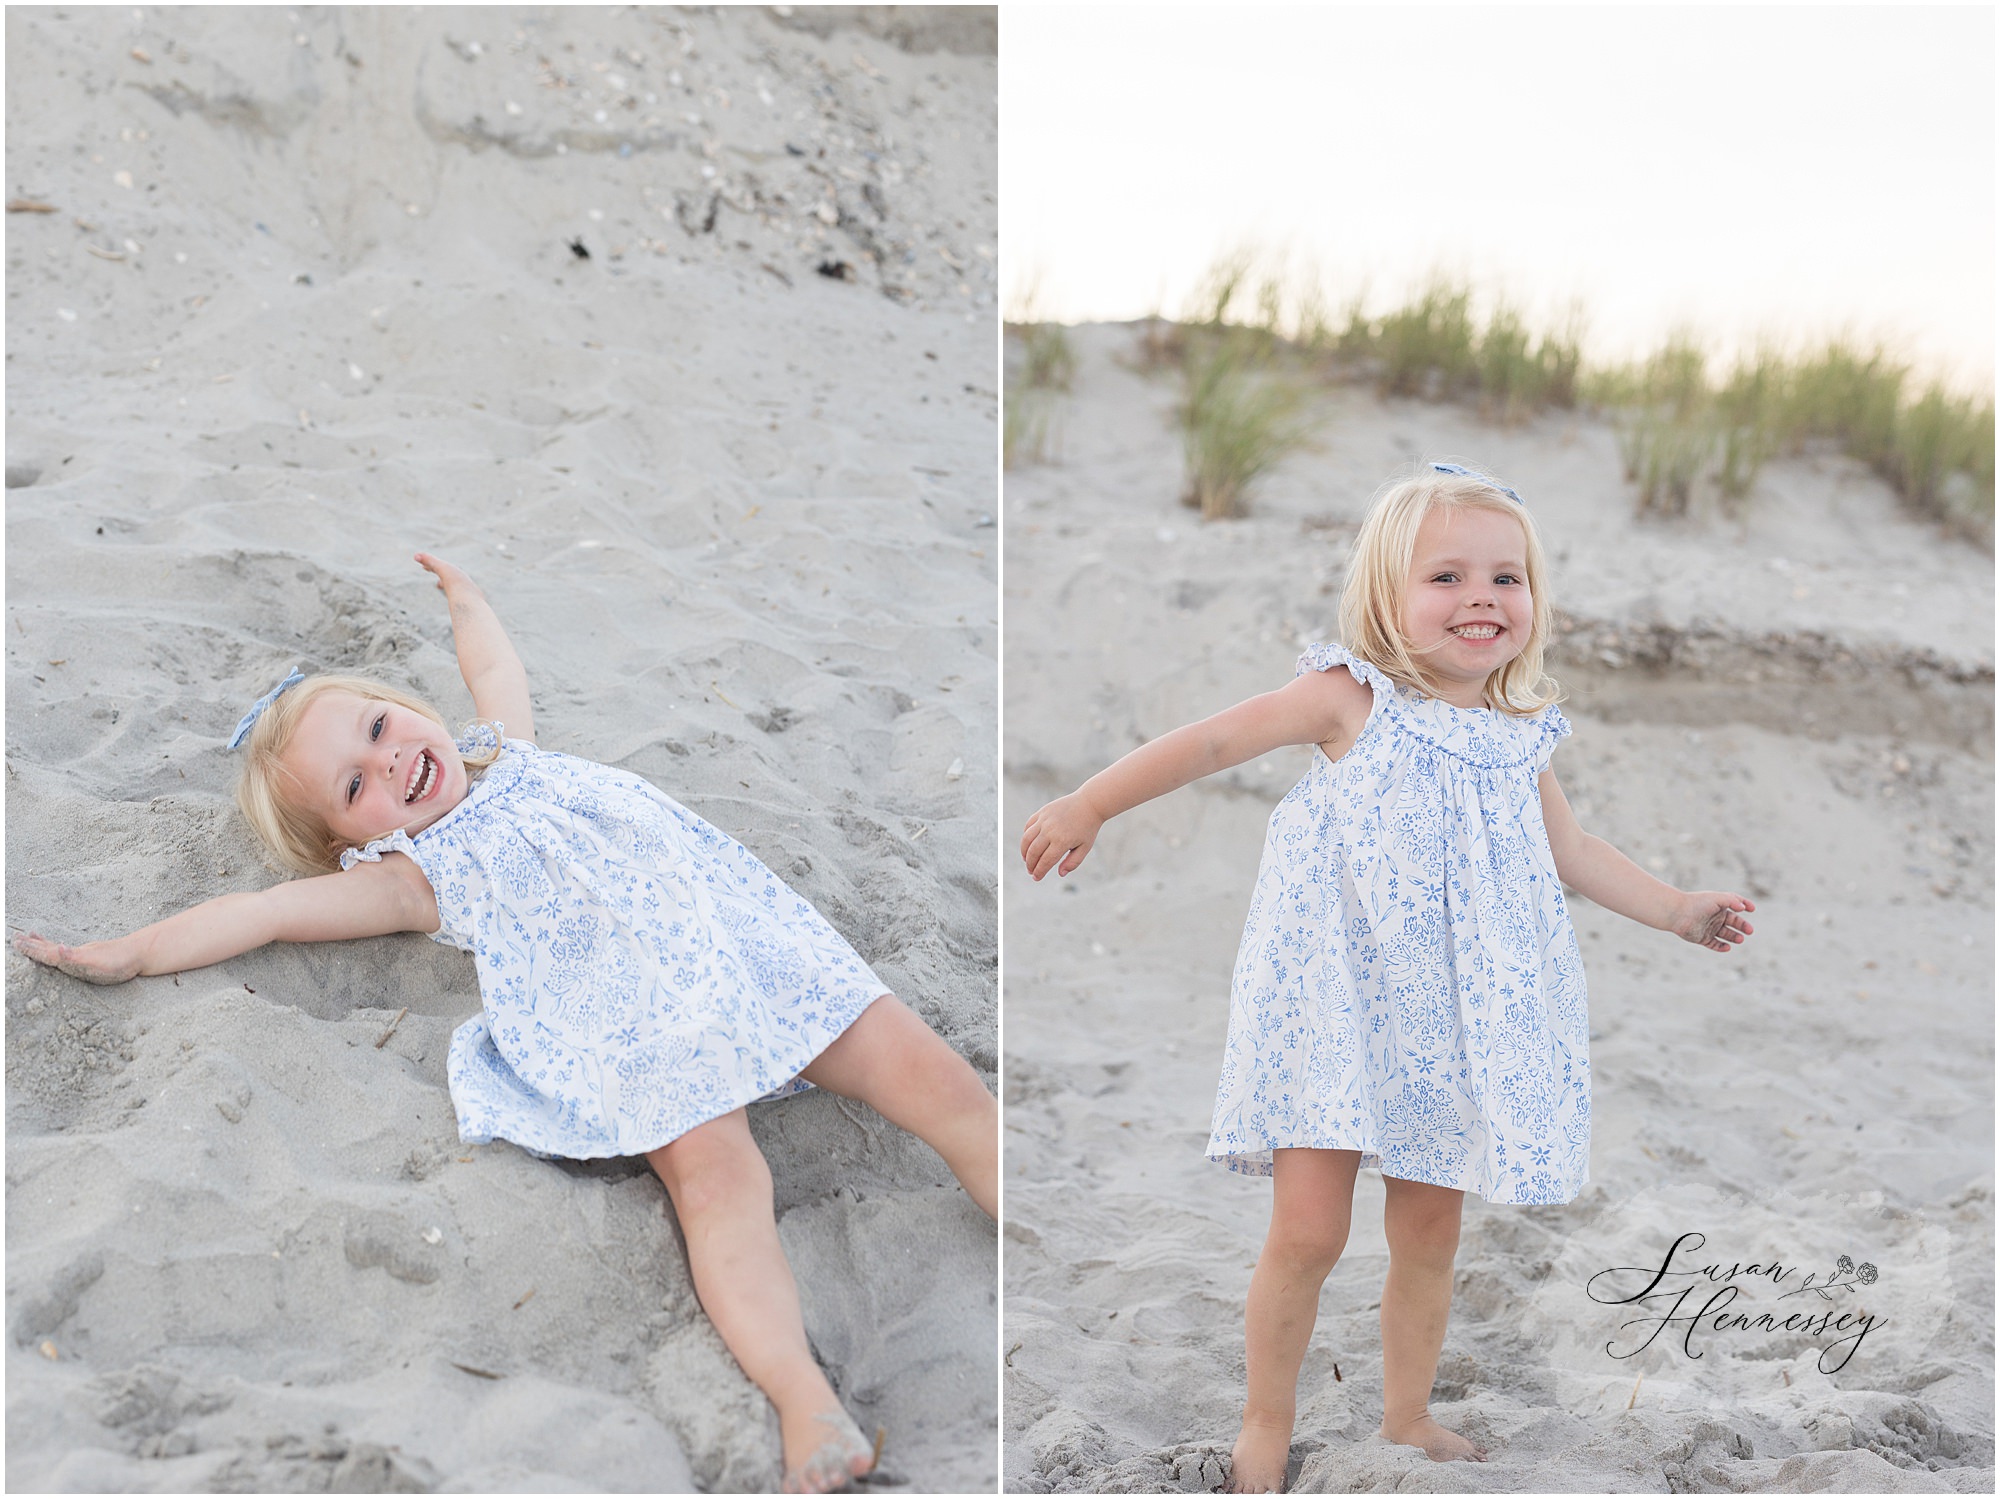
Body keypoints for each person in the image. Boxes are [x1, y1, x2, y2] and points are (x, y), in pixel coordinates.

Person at [17, 552, 998, 1495]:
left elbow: (490, 660)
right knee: (719, 1188)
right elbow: (264, 913)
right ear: (353, 845)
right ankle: (803, 1400)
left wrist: (466, 595)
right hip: (638, 1033)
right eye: (354, 783)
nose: (388, 758)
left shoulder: (507, 748)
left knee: (927, 1074)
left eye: (380, 723)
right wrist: (133, 951)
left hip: (750, 954)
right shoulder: (416, 879)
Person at [1020, 464, 1754, 1490]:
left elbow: (1573, 851)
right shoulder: (1347, 699)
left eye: (1506, 577)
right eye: (1444, 575)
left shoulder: (1518, 736)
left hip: (1450, 1021)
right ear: (1383, 596)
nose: (1481, 598)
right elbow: (1211, 739)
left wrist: (1678, 907)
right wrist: (1090, 803)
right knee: (1308, 1228)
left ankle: (1405, 1414)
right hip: (1334, 1010)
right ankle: (1263, 1421)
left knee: (1427, 1228)